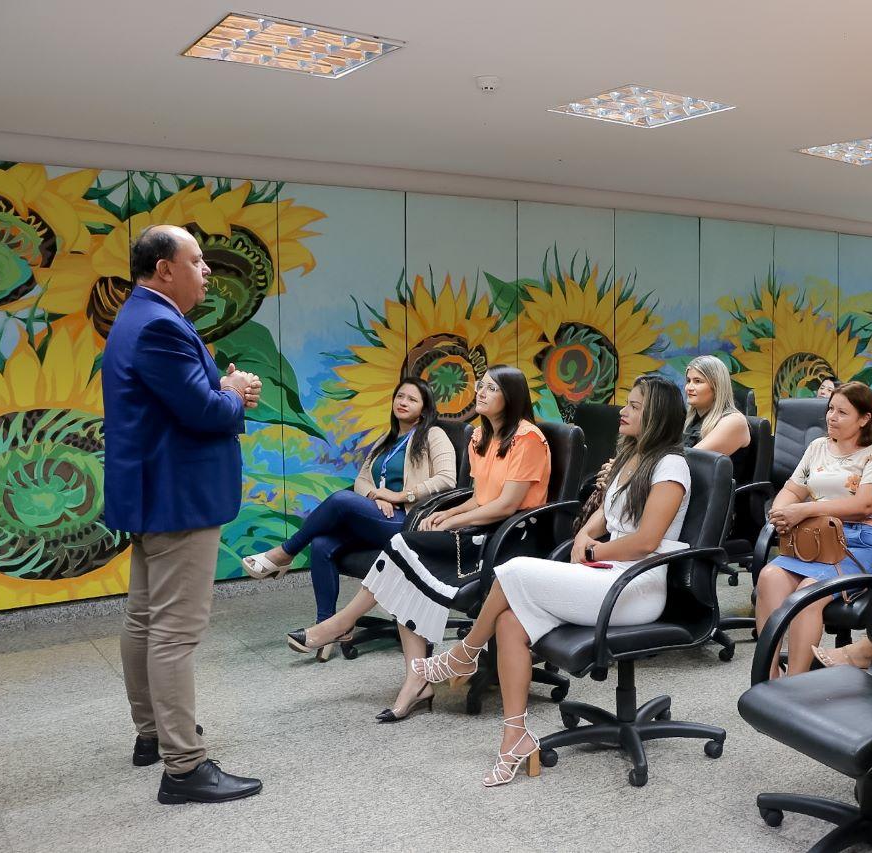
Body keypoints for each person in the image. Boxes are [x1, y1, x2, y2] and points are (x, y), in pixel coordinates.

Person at [408, 374, 692, 787]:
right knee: (509, 623)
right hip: (606, 575)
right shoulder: (634, 456)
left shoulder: (671, 465)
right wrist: (584, 534)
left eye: (633, 406)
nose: (623, 411)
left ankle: (466, 652)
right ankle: (515, 737)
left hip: (636, 586)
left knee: (516, 569)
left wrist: (594, 551)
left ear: (656, 416)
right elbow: (609, 512)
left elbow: (646, 540)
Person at [283, 365, 550, 722]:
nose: (480, 393)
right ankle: (416, 680)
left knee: (402, 550)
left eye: (490, 389)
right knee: (404, 562)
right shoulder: (480, 437)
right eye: (480, 386)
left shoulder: (527, 439)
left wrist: (453, 518)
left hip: (511, 537)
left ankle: (339, 625)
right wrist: (451, 513)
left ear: (510, 398)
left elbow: (506, 505)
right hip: (481, 528)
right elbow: (479, 496)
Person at [102, 224, 264, 804]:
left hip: (153, 495)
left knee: (144, 620)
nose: (207, 271)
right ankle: (184, 766)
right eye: (197, 261)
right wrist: (237, 391)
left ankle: (153, 735)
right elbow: (201, 412)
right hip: (179, 498)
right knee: (175, 633)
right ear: (164, 268)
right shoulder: (162, 326)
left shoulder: (138, 318)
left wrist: (216, 386)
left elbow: (176, 398)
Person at [241, 378, 457, 633]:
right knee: (321, 544)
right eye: (400, 396)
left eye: (412, 399)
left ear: (424, 408)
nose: (403, 402)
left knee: (340, 501)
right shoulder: (385, 441)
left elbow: (447, 479)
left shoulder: (433, 435)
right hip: (380, 517)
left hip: (409, 521)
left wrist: (400, 496)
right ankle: (328, 628)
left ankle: (285, 553)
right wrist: (377, 497)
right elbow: (362, 481)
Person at [751, 382, 872, 678]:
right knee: (768, 578)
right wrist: (781, 512)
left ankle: (796, 684)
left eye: (842, 412)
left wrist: (804, 510)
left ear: (864, 418)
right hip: (814, 540)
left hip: (856, 542)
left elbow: (865, 505)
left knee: (807, 594)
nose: (832, 416)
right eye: (830, 409)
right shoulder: (817, 447)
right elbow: (792, 489)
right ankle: (768, 679)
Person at [682, 354, 752, 456]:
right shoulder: (689, 420)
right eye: (688, 381)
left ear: (717, 387)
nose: (689, 387)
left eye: (697, 381)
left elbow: (688, 460)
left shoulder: (735, 421)